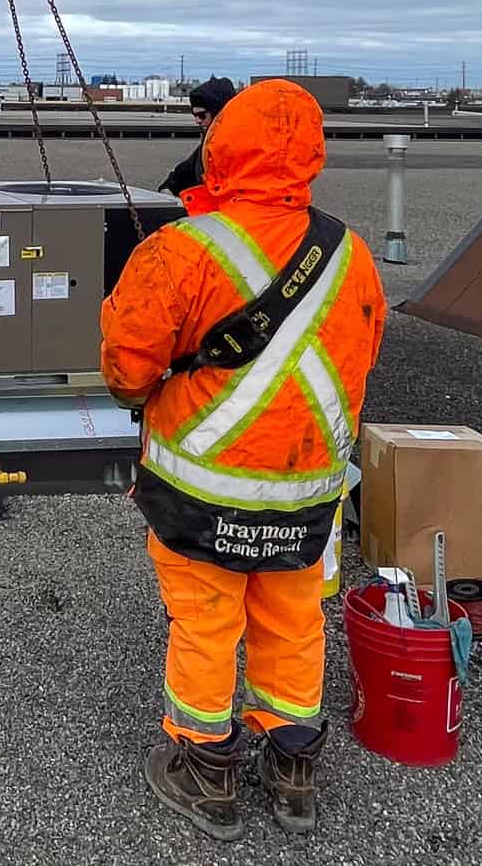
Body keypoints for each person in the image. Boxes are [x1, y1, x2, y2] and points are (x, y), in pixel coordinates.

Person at [102, 79, 386, 841]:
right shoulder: (351, 254)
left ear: (221, 145)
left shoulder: (179, 251)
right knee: (295, 621)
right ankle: (293, 769)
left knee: (204, 624)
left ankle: (208, 769)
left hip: (199, 495)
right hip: (306, 497)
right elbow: (363, 355)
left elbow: (127, 371)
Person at [157, 76, 236, 213]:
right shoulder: (206, 147)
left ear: (219, 112)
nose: (197, 121)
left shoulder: (240, 148)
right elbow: (182, 174)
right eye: (195, 116)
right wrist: (167, 189)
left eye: (202, 115)